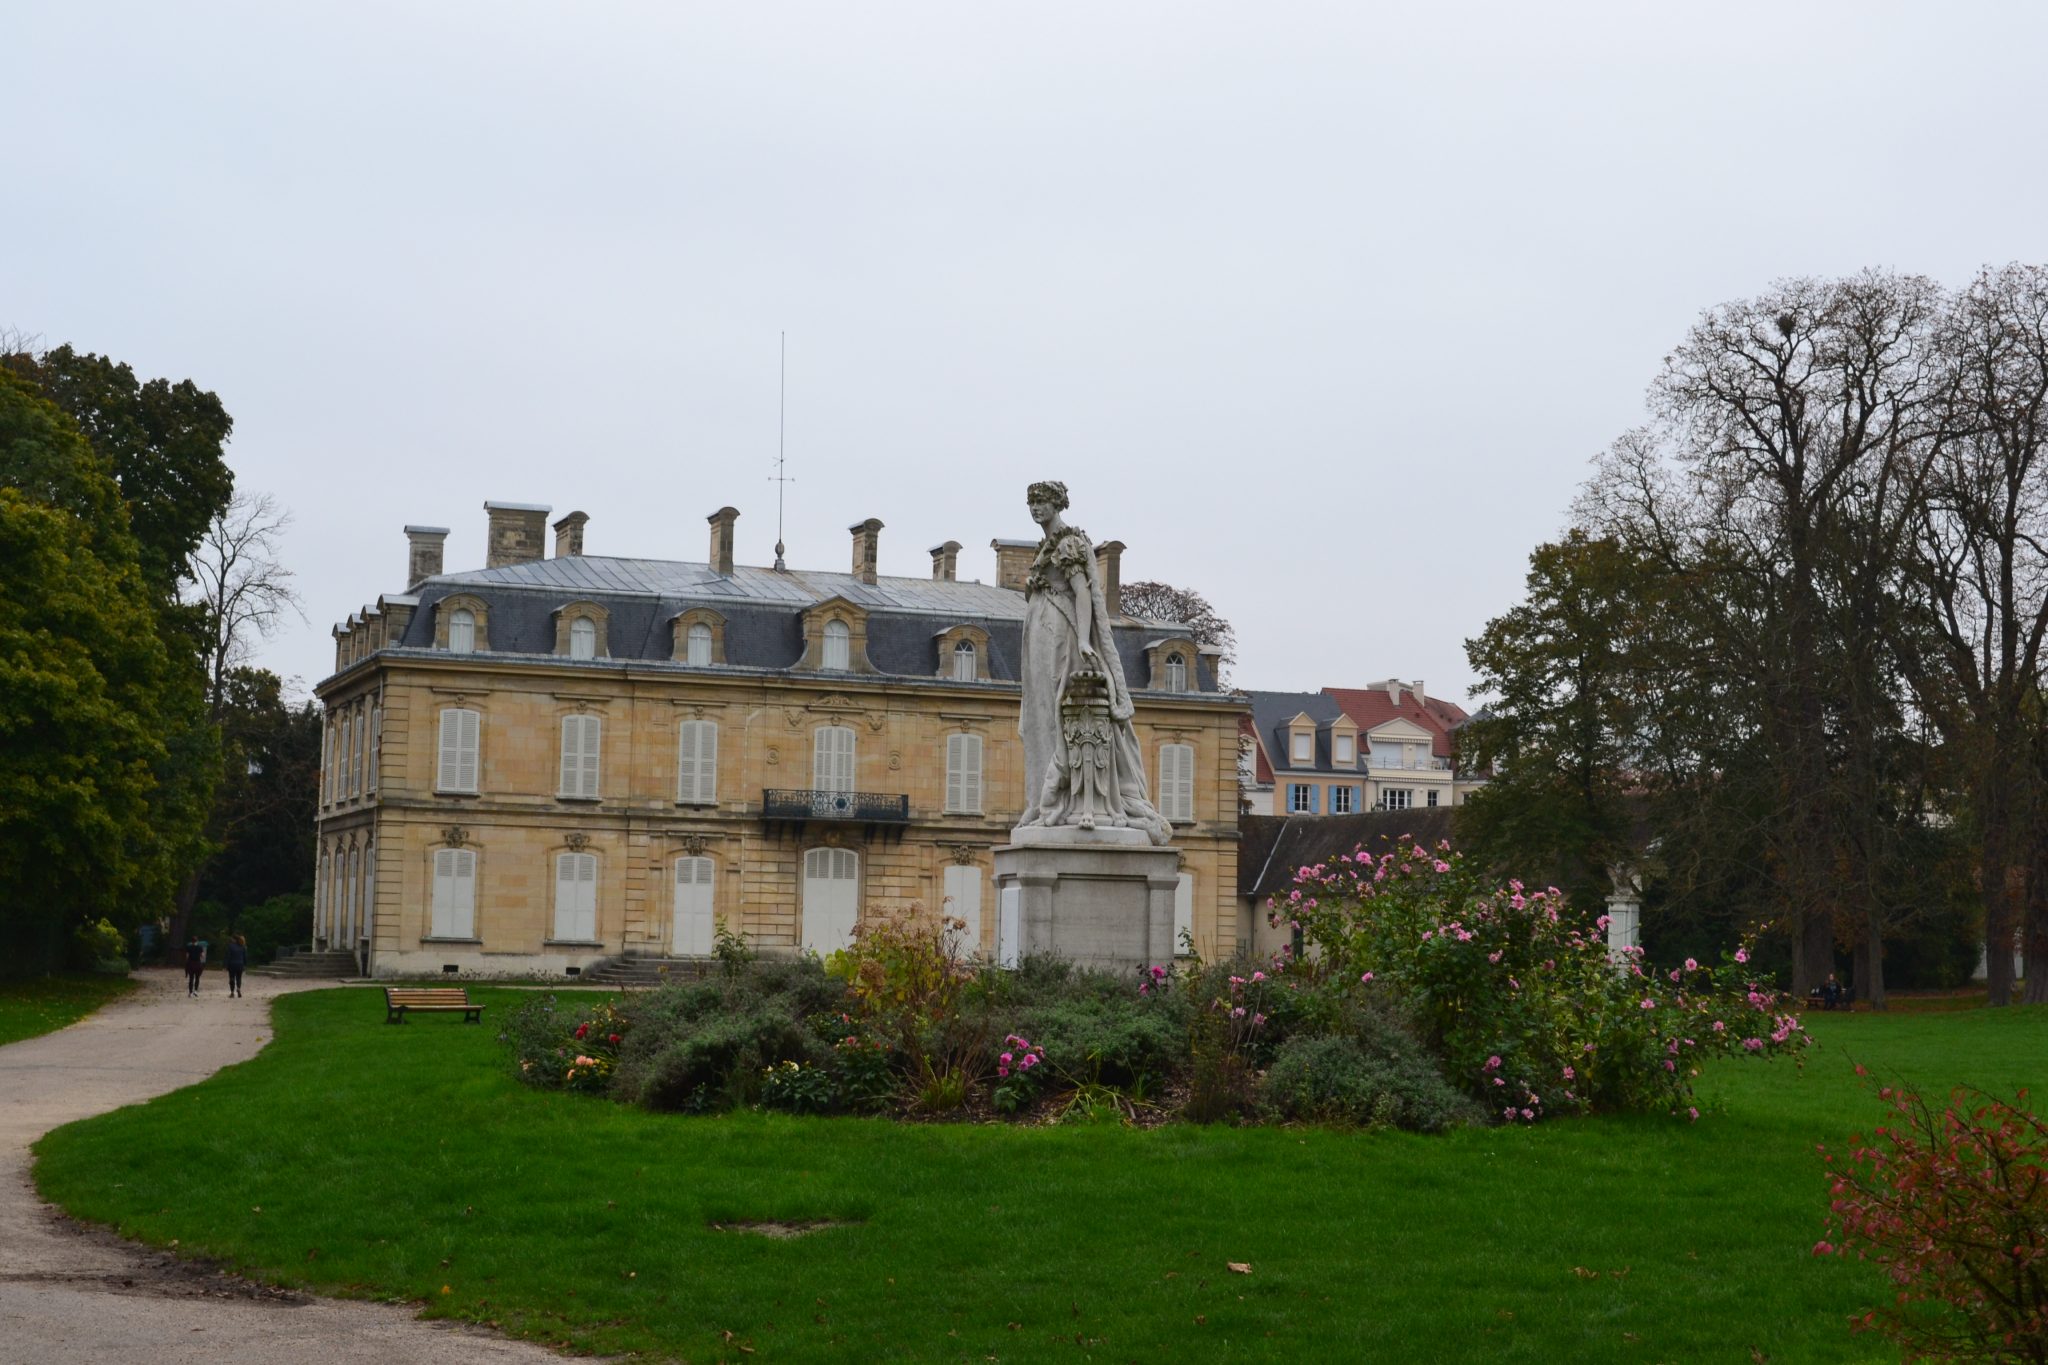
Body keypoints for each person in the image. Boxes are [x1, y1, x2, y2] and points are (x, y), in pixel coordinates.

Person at [1014, 479, 1171, 845]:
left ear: (1058, 504)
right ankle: (1042, 801)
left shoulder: (1068, 542)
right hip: (1039, 636)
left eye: (1042, 501)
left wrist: (1083, 638)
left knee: (1058, 712)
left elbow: (1084, 593)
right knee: (1038, 718)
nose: (1036, 508)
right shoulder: (1045, 547)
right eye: (1031, 502)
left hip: (1059, 634)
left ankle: (1063, 800)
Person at [224, 934, 248, 998]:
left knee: (231, 978)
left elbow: (228, 956)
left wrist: (226, 965)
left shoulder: (230, 946)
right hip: (240, 964)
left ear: (234, 939)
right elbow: (245, 957)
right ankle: (238, 988)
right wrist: (245, 965)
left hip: (232, 965)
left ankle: (232, 993)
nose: (231, 940)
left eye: (232, 938)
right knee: (239, 978)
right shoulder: (243, 946)